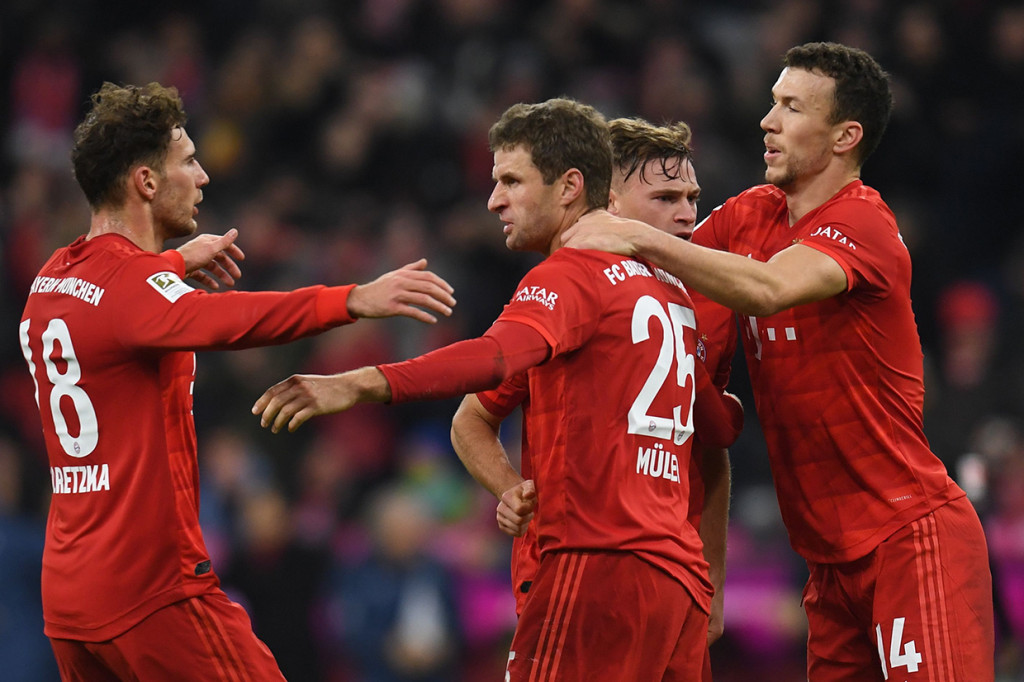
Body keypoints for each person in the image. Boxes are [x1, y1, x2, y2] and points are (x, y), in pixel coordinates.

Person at [254, 97, 744, 681]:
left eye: (512, 181)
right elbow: (719, 428)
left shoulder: (574, 275)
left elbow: (492, 357)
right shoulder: (673, 300)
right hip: (676, 579)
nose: (494, 200)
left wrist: (362, 382)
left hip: (596, 563)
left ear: (570, 187)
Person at [562, 42, 995, 680]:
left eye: (792, 107)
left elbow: (765, 288)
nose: (767, 121)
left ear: (845, 136)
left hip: (910, 537)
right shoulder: (750, 217)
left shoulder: (863, 222)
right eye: (772, 102)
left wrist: (633, 233)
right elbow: (654, 299)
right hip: (826, 562)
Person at [18, 81, 456, 681]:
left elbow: (115, 298)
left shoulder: (52, 278)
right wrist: (353, 298)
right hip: (152, 590)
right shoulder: (135, 291)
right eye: (188, 161)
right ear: (146, 182)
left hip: (71, 598)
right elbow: (232, 320)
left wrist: (172, 262)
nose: (202, 177)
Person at [447, 116, 736, 678]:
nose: (686, 213)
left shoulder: (702, 300)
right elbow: (472, 416)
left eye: (692, 198)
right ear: (608, 201)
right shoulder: (572, 290)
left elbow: (711, 448)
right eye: (666, 197)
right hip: (581, 566)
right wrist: (509, 488)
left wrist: (714, 585)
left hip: (662, 580)